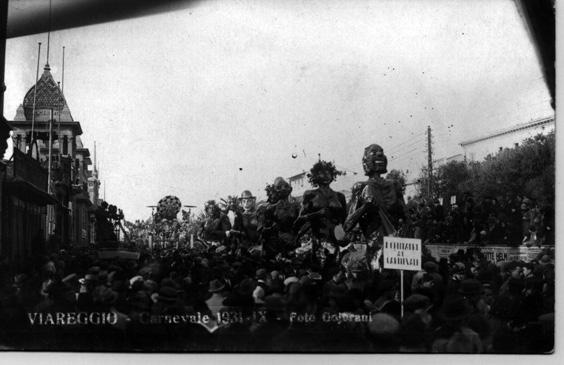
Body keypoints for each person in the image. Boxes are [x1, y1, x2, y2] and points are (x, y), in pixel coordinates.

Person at [294, 160, 347, 266]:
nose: (326, 175)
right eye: (322, 172)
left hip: (336, 241)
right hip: (318, 242)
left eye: (328, 172)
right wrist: (318, 214)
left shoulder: (340, 196)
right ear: (315, 176)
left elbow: (345, 221)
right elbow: (298, 221)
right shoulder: (310, 195)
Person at [258, 177, 300, 257]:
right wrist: (272, 229)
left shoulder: (296, 207)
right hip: (276, 246)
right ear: (274, 190)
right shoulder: (268, 209)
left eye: (285, 186)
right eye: (279, 187)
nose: (283, 189)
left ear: (290, 189)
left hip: (294, 243)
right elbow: (262, 231)